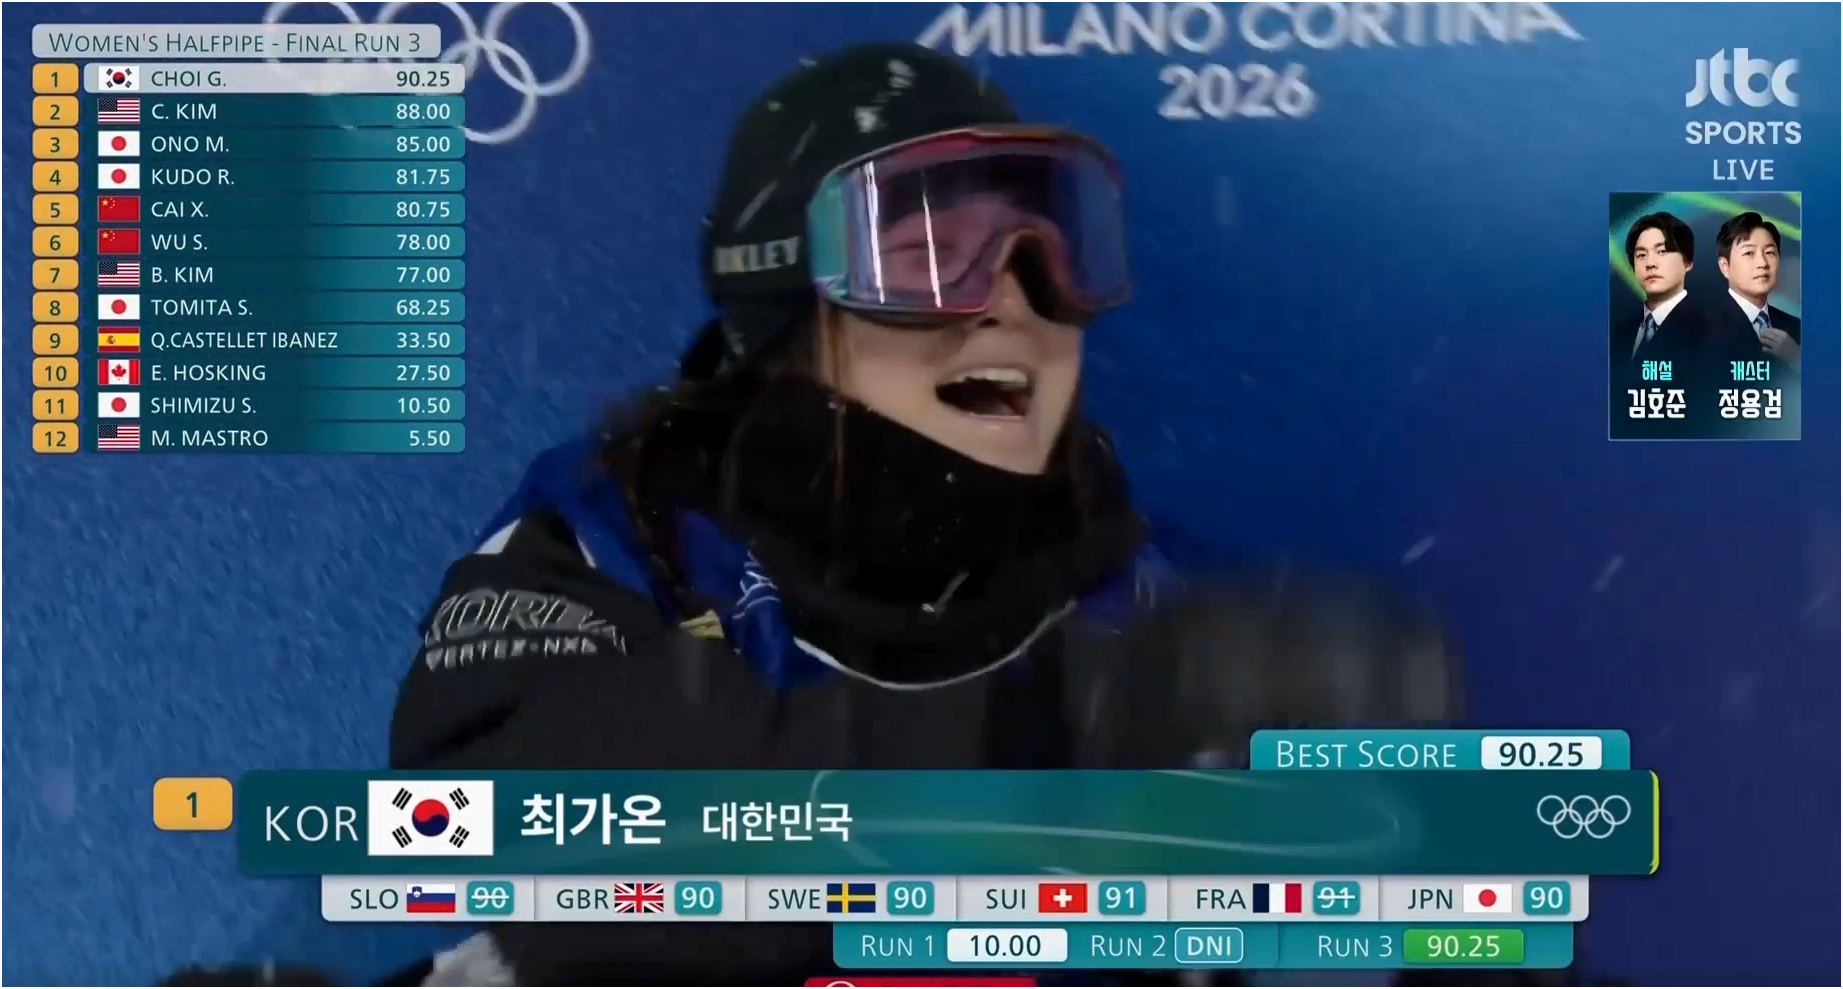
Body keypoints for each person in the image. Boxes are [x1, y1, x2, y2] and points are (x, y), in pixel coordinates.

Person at [162, 42, 1499, 988]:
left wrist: (1443, 915)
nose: (1009, 299)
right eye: (928, 249)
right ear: (782, 303)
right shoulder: (612, 535)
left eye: (1053, 243)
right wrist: (1069, 735)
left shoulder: (1158, 605)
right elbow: (536, 830)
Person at [1611, 211, 1721, 386]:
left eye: (1662, 251)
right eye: (1641, 255)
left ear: (1687, 262)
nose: (1650, 263)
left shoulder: (1714, 329)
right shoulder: (1618, 336)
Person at [1710, 210, 1801, 378]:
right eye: (1749, 253)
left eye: (1770, 253)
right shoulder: (1701, 326)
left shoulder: (1797, 327)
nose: (1763, 263)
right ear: (1725, 266)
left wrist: (1797, 359)